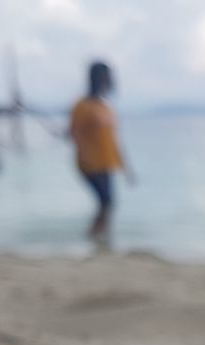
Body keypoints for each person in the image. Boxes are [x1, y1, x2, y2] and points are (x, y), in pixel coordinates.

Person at [69, 61, 135, 243]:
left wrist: (126, 169)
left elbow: (113, 141)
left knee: (108, 203)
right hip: (89, 163)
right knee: (106, 201)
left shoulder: (106, 107)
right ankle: (94, 236)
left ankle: (101, 239)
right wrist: (84, 157)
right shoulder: (82, 106)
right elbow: (74, 134)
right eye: (105, 76)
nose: (107, 80)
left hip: (107, 162)